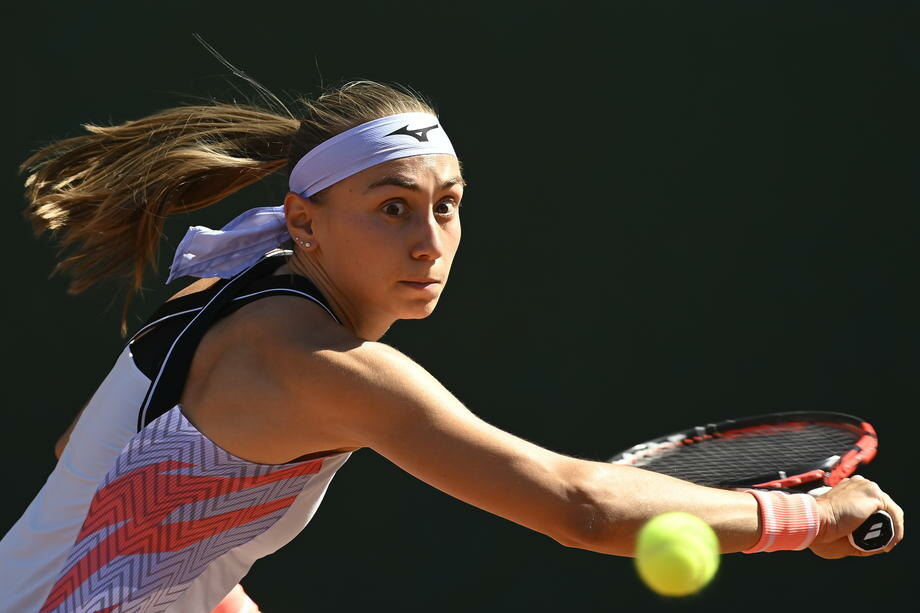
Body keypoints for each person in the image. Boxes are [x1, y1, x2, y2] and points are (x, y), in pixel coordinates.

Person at [1, 80, 904, 613]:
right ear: (305, 223)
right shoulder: (327, 370)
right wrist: (806, 521)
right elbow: (580, 505)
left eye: (447, 203)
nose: (430, 241)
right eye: (392, 208)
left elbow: (81, 460)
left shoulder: (228, 288)